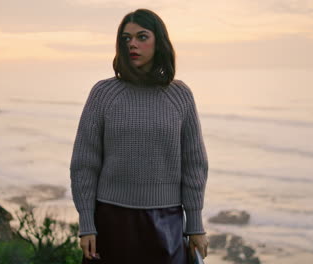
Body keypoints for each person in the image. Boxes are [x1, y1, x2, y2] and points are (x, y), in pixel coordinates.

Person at [70, 8, 209, 264]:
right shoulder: (103, 93)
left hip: (166, 222)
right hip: (111, 221)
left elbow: (194, 165)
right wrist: (87, 225)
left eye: (141, 37)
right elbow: (84, 164)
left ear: (159, 42)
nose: (132, 44)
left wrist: (195, 225)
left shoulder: (180, 96)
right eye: (126, 38)